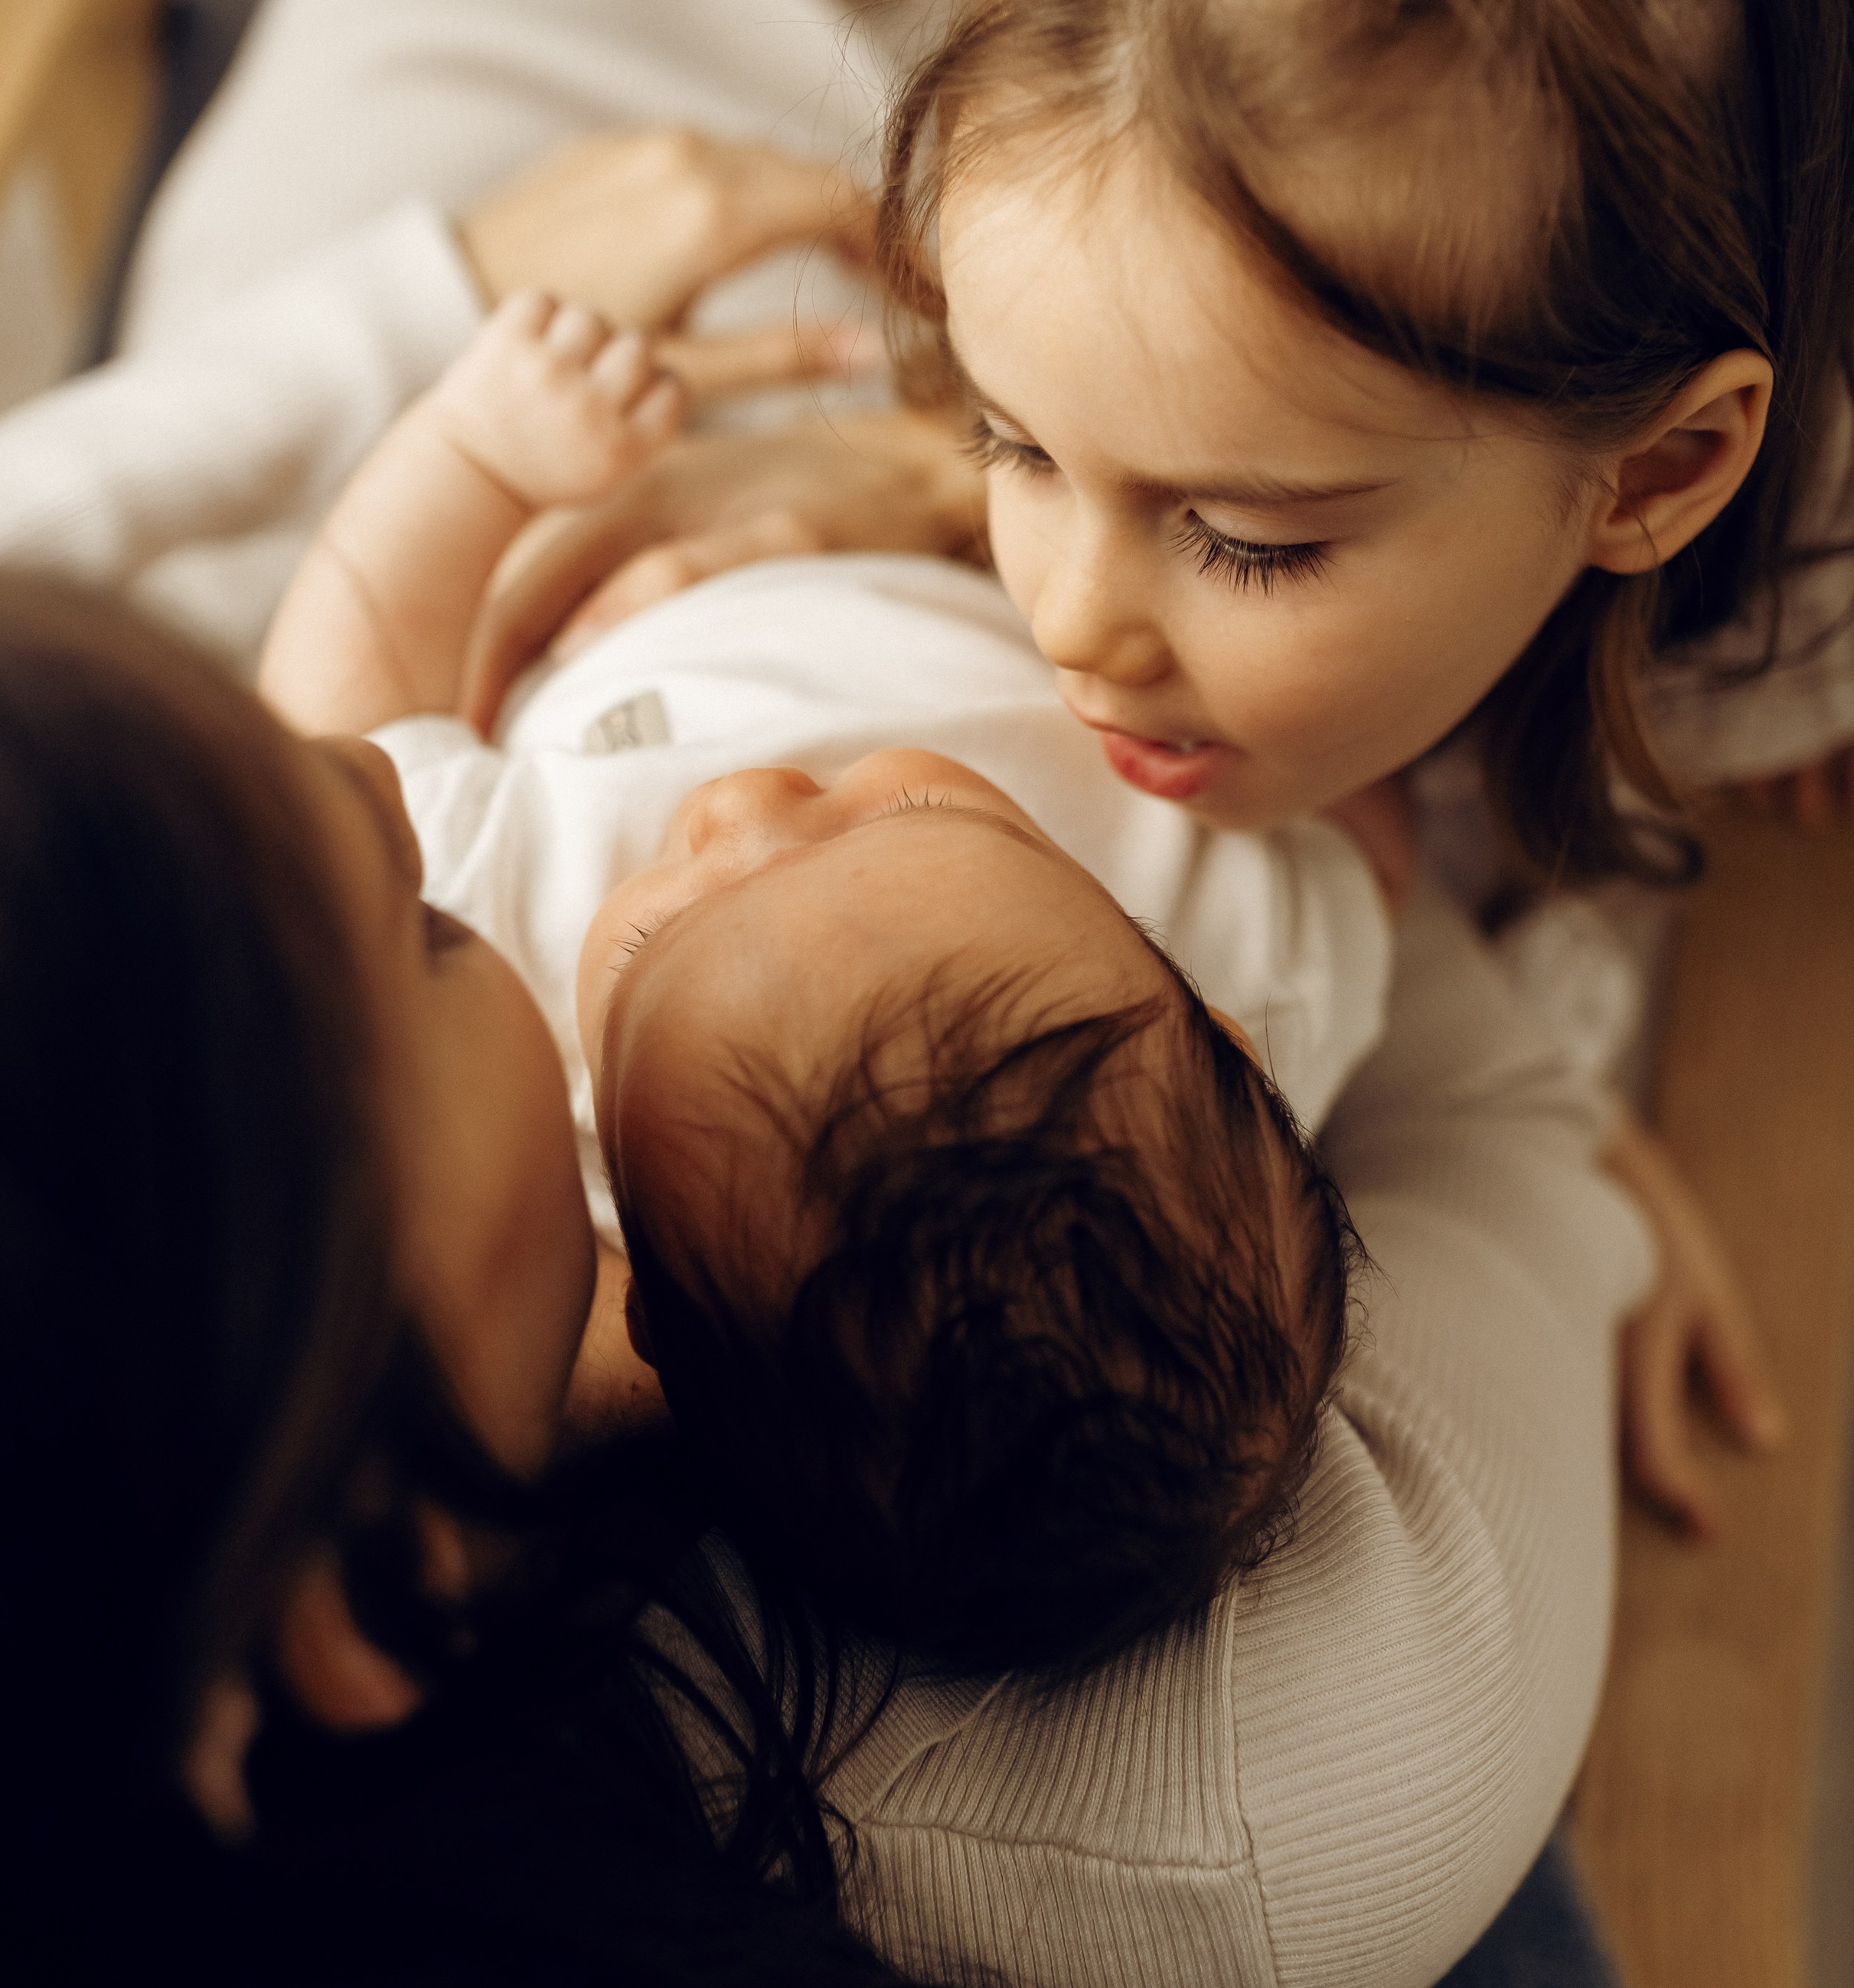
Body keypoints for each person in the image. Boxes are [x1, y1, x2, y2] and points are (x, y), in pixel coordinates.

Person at [0, 0, 1647, 1988]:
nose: (370, 805)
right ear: (360, 1586)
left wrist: (443, 297)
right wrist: (1540, 1116)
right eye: (418, 952)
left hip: (477, 353)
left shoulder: (327, 1303)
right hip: (813, 406)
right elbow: (1360, 1038)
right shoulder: (1116, 1729)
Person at [259, 279, 1386, 1672]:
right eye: (918, 818)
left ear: (649, 1298)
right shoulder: (1261, 940)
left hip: (641, 552)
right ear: (1227, 1034)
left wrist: (478, 458)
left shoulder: (506, 1004)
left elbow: (338, 716)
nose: (748, 806)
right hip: (905, 492)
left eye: (659, 939)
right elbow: (1367, 855)